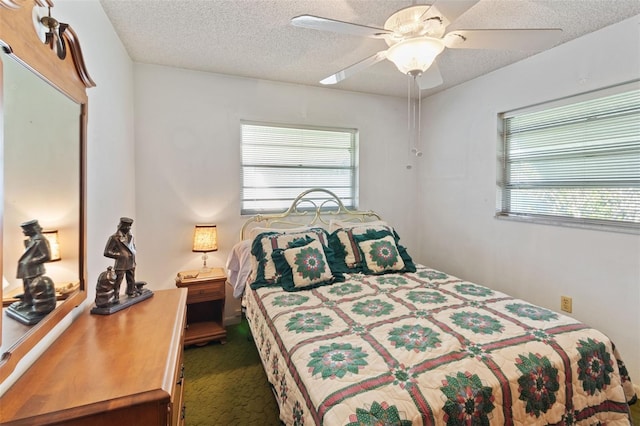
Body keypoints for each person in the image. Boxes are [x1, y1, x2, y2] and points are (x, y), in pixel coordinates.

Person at [16, 219, 51, 310]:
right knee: (27, 287)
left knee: (34, 288)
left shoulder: (40, 239)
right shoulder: (31, 239)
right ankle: (28, 303)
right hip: (27, 270)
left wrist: (31, 261)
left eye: (25, 230)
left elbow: (46, 256)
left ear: (31, 229)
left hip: (34, 270)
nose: (23, 232)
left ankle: (37, 307)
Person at [103, 217, 138, 301]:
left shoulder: (130, 236)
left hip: (131, 262)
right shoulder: (114, 238)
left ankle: (131, 292)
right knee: (118, 281)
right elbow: (107, 252)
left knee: (131, 279)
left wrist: (134, 252)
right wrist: (120, 255)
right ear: (122, 226)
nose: (128, 228)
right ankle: (115, 296)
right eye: (127, 226)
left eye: (129, 226)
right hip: (121, 263)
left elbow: (132, 247)